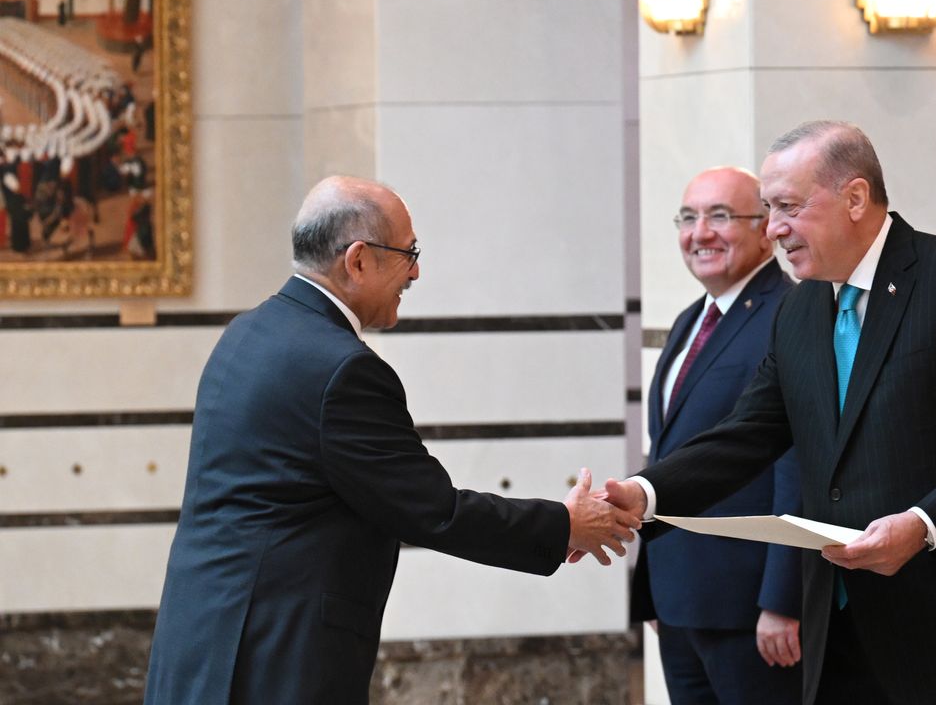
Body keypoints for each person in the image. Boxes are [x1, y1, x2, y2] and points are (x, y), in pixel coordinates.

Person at [606, 121, 936, 705]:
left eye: (788, 206)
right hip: (839, 637)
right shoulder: (801, 308)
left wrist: (924, 524)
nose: (774, 228)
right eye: (769, 208)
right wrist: (644, 493)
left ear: (855, 198)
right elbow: (748, 434)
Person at [144, 176, 640, 704]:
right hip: (274, 656)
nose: (416, 272)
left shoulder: (248, 332)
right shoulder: (342, 370)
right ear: (358, 261)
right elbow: (433, 510)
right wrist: (565, 524)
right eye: (409, 254)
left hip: (204, 636)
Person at [633, 167, 802, 703]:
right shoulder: (691, 319)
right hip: (679, 602)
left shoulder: (791, 313)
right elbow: (669, 453)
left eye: (720, 216)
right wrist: (653, 588)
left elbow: (796, 464)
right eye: (688, 218)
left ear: (765, 229)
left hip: (749, 610)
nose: (700, 233)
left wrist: (783, 600)